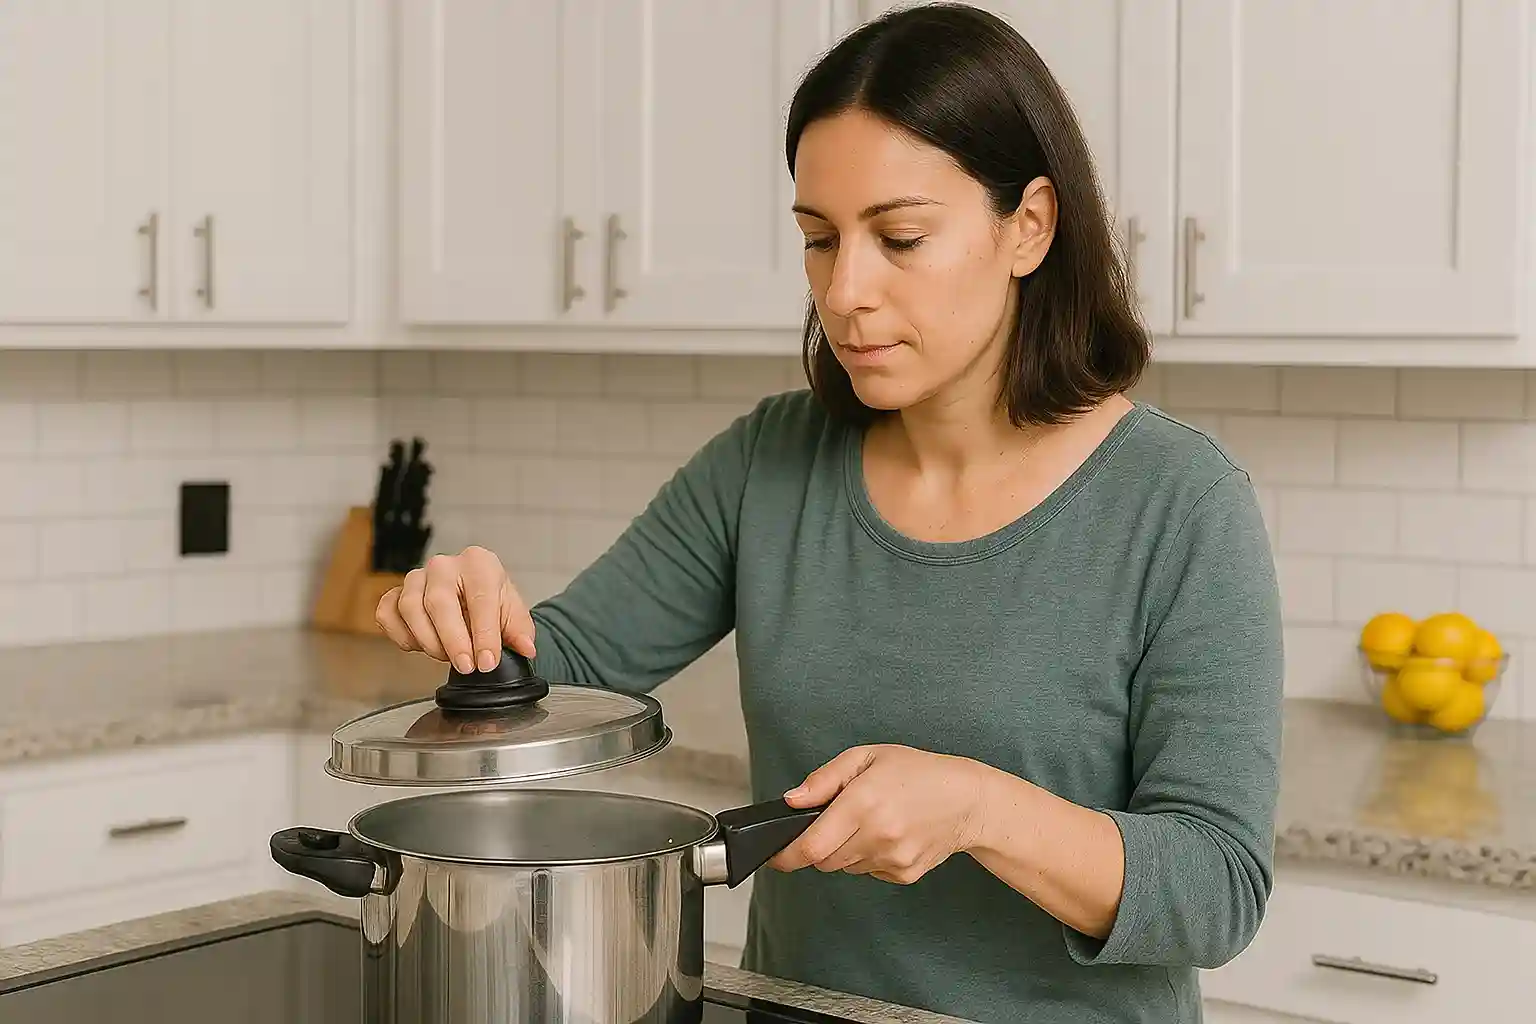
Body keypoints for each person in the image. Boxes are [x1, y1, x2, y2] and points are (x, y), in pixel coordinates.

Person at [375, 4, 1283, 1022]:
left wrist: (979, 809)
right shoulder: (771, 462)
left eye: (900, 237)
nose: (845, 290)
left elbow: (1218, 887)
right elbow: (561, 674)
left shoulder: (1179, 503)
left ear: (1028, 224)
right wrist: (472, 624)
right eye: (819, 239)